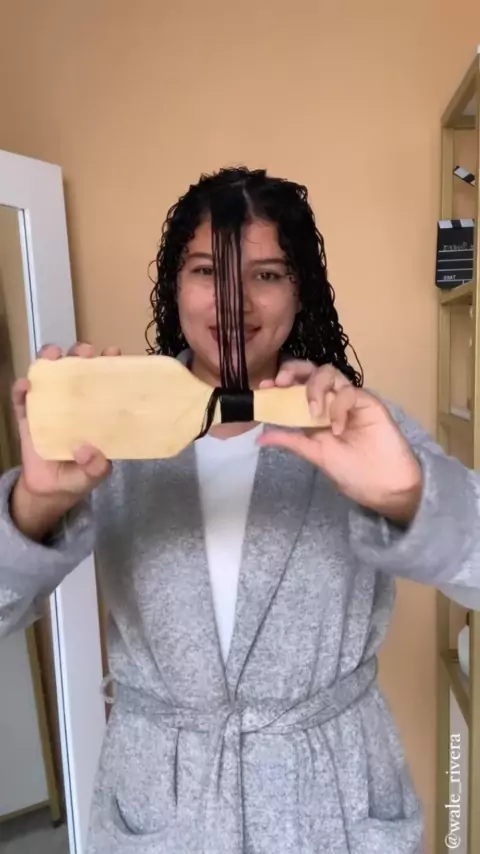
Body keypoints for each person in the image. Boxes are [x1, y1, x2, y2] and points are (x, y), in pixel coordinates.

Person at [0, 166, 478, 854]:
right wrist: (35, 505)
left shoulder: (362, 428)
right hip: (164, 804)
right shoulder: (105, 436)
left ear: (300, 289)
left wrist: (407, 496)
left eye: (266, 274)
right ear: (174, 285)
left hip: (334, 801)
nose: (233, 301)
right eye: (206, 271)